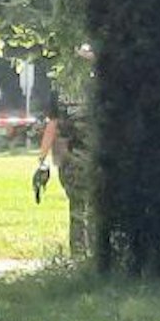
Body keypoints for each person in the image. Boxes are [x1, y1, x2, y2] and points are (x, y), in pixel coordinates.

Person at [35, 43, 96, 257]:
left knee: (77, 209)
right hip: (96, 158)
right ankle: (98, 257)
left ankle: (78, 256)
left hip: (69, 159)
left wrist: (42, 159)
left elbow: (52, 125)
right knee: (97, 208)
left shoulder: (60, 88)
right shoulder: (99, 86)